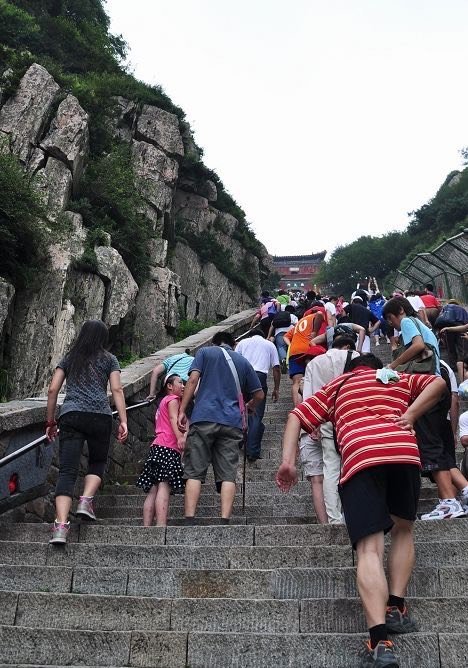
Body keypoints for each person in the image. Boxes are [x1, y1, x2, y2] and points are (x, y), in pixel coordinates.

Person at [276, 354, 446, 667]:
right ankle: (396, 606)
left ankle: (380, 642)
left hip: (361, 458)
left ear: (349, 371)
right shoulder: (393, 377)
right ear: (376, 365)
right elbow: (438, 381)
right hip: (403, 453)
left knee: (369, 549)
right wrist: (409, 415)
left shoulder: (339, 384)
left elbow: (296, 416)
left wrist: (288, 462)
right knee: (403, 529)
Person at [45, 320, 128, 545]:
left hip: (71, 416)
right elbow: (117, 389)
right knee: (97, 461)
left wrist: (51, 421)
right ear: (103, 337)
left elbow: (53, 389)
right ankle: (85, 500)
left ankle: (61, 527)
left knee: (67, 472)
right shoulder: (109, 359)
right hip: (100, 416)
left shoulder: (70, 357)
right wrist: (123, 420)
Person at [383, 297, 465, 519]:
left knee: (428, 444)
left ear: (398, 311)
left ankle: (449, 502)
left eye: (391, 318)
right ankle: (458, 495)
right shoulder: (423, 324)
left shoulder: (408, 321)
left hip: (425, 388)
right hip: (439, 388)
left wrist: (393, 364)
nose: (393, 324)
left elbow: (418, 346)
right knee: (437, 444)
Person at [178, 331, 264, 523]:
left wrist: (182, 410)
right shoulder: (242, 362)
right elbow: (259, 395)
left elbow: (192, 380)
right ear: (233, 344)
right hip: (231, 422)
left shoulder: (204, 353)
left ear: (214, 342)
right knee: (227, 473)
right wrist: (248, 407)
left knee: (194, 470)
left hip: (204, 417)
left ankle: (190, 518)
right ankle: (224, 519)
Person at [303, 334, 359, 524]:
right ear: (347, 347)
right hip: (352, 418)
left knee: (331, 468)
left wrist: (313, 424)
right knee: (354, 465)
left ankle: (334, 518)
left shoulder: (315, 363)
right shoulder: (356, 356)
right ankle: (355, 512)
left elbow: (308, 396)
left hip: (326, 419)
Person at [136, 374, 186, 526]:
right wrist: (180, 438)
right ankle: (161, 525)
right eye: (180, 382)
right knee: (164, 486)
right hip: (168, 446)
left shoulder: (162, 402)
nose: (183, 386)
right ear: (169, 386)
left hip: (157, 446)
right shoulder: (172, 400)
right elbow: (172, 419)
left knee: (153, 489)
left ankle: (147, 527)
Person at [235, 328, 281, 462]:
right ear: (262, 335)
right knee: (256, 414)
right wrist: (276, 388)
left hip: (243, 377)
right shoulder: (269, 344)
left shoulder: (243, 343)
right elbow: (276, 368)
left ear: (250, 335)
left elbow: (235, 362)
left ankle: (239, 441)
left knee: (241, 410)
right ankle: (252, 451)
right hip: (260, 378)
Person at [283, 310, 326, 405]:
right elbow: (319, 314)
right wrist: (314, 332)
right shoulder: (314, 316)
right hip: (308, 350)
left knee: (296, 382)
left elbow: (285, 336)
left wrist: (290, 345)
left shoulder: (299, 323)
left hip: (294, 352)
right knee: (311, 378)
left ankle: (297, 409)